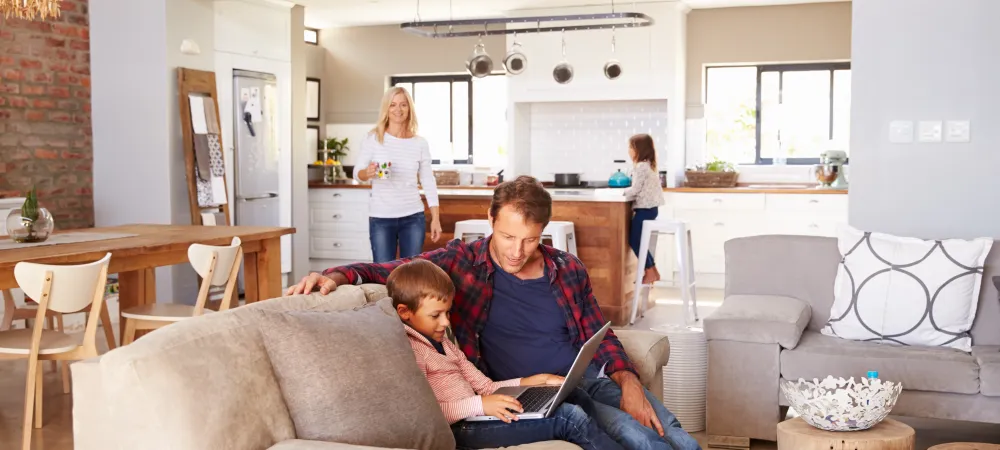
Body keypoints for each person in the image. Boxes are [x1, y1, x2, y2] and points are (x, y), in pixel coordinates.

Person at [288, 176, 702, 450]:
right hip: (532, 391)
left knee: (675, 435)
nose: (517, 251)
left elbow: (599, 332)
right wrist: (338, 274)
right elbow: (393, 270)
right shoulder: (461, 263)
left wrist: (627, 380)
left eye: (530, 239)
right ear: (489, 220)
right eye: (507, 236)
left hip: (586, 379)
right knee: (640, 439)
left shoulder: (567, 268)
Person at [387, 259, 623, 450]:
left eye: (447, 312)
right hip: (460, 429)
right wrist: (479, 405)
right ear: (404, 312)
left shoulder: (444, 343)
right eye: (436, 315)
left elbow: (486, 386)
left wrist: (531, 382)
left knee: (576, 396)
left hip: (478, 415)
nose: (446, 322)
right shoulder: (411, 351)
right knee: (568, 418)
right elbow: (426, 415)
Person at [354, 86, 443, 262]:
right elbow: (357, 173)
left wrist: (435, 218)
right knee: (381, 275)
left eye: (403, 105)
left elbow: (428, 181)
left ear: (409, 108)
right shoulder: (373, 138)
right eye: (393, 105)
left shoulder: (419, 143)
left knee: (410, 276)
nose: (398, 110)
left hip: (413, 217)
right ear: (386, 108)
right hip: (381, 217)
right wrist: (367, 173)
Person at [624, 134, 666, 285]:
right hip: (650, 209)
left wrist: (621, 192)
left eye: (630, 147)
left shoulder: (641, 166)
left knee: (635, 240)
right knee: (638, 240)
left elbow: (635, 189)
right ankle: (652, 271)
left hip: (645, 209)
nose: (628, 151)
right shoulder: (649, 164)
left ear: (638, 150)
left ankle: (649, 270)